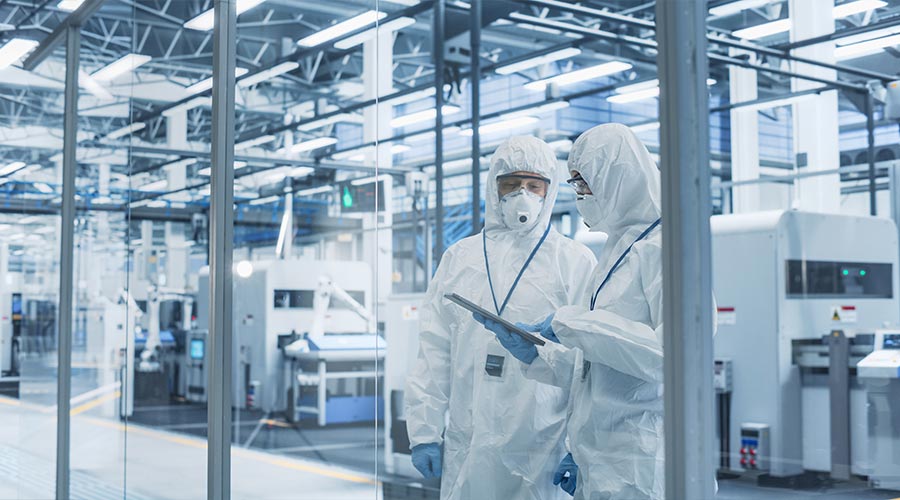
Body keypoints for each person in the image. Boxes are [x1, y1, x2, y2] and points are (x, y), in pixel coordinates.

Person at [477, 123, 667, 499]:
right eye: (575, 184)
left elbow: (672, 358)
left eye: (584, 183)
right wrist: (539, 357)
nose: (580, 195)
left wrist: (574, 323)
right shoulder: (617, 251)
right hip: (602, 459)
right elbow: (600, 369)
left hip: (645, 460)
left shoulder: (666, 247)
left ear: (618, 177)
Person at [405, 135, 597, 500]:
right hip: (470, 438)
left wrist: (579, 444)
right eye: (510, 184)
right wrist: (425, 433)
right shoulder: (461, 258)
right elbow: (434, 350)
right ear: (493, 189)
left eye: (533, 185)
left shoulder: (574, 261)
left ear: (549, 189)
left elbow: (587, 365)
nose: (521, 195)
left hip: (543, 446)